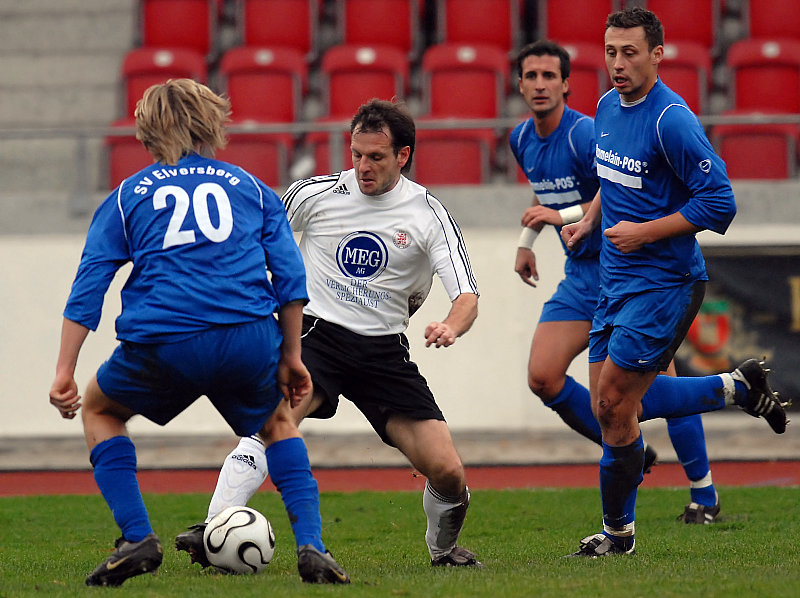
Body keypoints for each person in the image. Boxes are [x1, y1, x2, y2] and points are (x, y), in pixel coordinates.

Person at [48, 79, 349, 586]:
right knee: (278, 423)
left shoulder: (127, 196)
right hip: (247, 336)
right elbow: (290, 279)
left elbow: (89, 285)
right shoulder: (251, 187)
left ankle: (137, 537)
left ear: (146, 133)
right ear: (211, 122)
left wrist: (65, 370)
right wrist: (292, 355)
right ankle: (312, 547)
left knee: (100, 410)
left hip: (164, 339)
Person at [175, 98, 483, 569]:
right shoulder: (314, 195)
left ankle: (443, 551)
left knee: (447, 469)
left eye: (376, 157)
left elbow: (467, 296)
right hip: (316, 338)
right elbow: (258, 241)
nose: (362, 166)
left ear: (403, 156)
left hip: (384, 353)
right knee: (272, 422)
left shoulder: (428, 213)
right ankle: (212, 528)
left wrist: (450, 326)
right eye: (356, 154)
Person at [560, 7, 788, 557]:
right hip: (614, 280)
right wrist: (591, 218)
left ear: (658, 54)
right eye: (611, 51)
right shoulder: (607, 106)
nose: (617, 63)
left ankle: (620, 539)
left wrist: (645, 233)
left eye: (630, 52)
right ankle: (736, 388)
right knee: (609, 409)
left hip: (667, 281)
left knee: (615, 401)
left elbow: (719, 202)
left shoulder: (672, 120)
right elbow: (613, 177)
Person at [511, 39, 724, 523]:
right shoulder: (521, 139)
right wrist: (529, 237)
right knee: (544, 377)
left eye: (550, 76)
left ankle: (703, 491)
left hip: (627, 270)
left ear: (567, 84)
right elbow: (551, 195)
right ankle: (631, 450)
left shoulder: (585, 132)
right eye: (531, 76)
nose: (540, 85)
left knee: (656, 386)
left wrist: (559, 215)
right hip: (580, 276)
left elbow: (611, 191)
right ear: (519, 85)